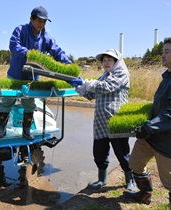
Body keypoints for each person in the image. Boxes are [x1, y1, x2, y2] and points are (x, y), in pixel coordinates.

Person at [0, 6, 72, 141]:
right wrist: (27, 53)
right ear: (31, 19)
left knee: (29, 103)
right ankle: (2, 129)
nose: (41, 24)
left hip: (32, 78)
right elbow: (14, 45)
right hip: (15, 74)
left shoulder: (46, 37)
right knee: (7, 101)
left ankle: (26, 130)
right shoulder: (21, 30)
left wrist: (69, 66)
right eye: (39, 21)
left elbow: (57, 51)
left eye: (44, 22)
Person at [75, 49, 137, 191]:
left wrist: (88, 83)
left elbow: (108, 87)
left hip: (115, 123)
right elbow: (91, 95)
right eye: (104, 60)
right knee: (99, 153)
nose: (106, 63)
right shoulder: (102, 77)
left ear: (116, 62)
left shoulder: (122, 74)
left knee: (122, 153)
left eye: (109, 60)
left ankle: (130, 180)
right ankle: (102, 179)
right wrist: (79, 87)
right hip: (100, 123)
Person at [123, 37, 171, 205]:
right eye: (162, 52)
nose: (162, 56)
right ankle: (145, 194)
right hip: (150, 136)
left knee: (169, 182)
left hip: (166, 140)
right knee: (135, 163)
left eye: (166, 52)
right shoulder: (166, 78)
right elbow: (158, 105)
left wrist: (150, 125)